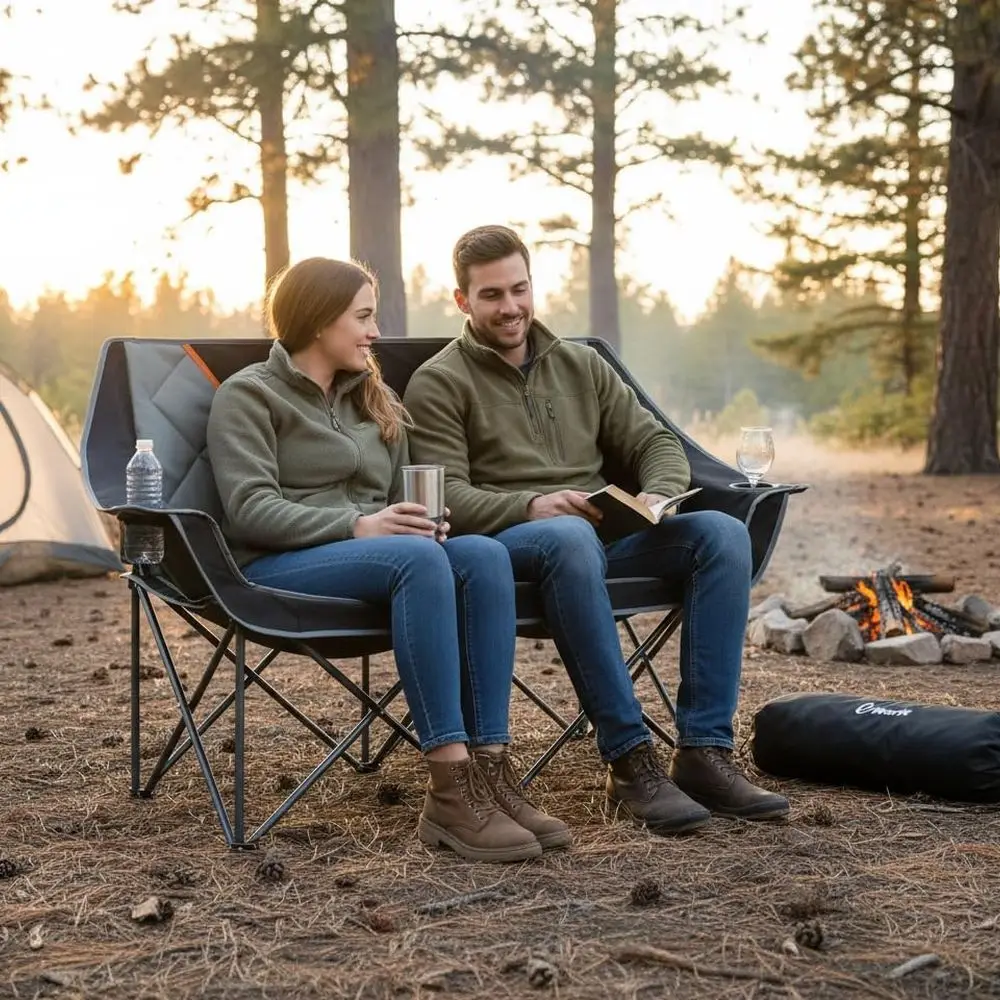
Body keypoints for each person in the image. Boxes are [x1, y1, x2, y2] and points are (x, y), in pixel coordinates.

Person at [403, 226, 790, 835]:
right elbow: (447, 493)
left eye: (520, 289)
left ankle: (704, 752)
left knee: (721, 534)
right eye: (491, 296)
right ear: (462, 302)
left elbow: (656, 440)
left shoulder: (581, 364)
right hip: (515, 546)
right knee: (569, 537)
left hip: (603, 535)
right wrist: (531, 505)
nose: (510, 308)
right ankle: (629, 761)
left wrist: (658, 494)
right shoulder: (439, 381)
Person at [205, 256, 571, 861]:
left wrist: (417, 519)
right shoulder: (249, 396)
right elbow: (249, 510)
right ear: (320, 320)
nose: (376, 333)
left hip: (376, 558)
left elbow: (404, 495)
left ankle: (492, 771)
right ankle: (451, 792)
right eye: (364, 317)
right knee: (418, 561)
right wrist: (360, 525)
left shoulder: (373, 396)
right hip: (275, 568)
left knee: (479, 554)